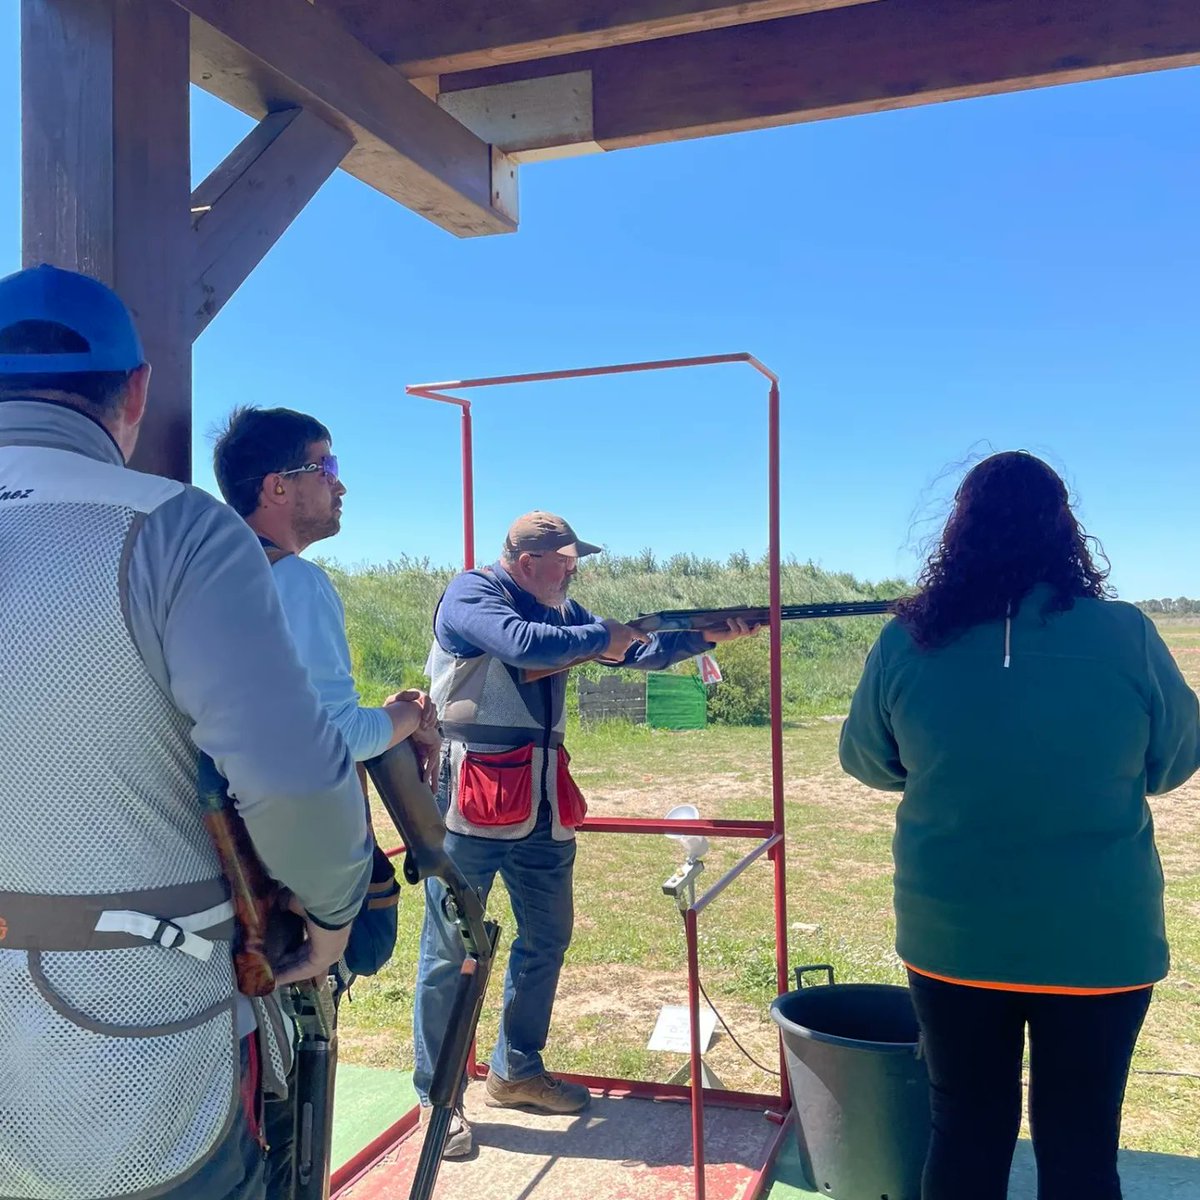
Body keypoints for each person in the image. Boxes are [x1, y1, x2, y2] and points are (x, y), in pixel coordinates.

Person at [0, 265, 373, 1200]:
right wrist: (332, 912)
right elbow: (290, 778)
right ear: (135, 394)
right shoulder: (173, 529)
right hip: (127, 1046)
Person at [838, 451, 1200, 1200]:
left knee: (965, 1133)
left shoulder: (907, 639)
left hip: (951, 937)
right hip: (1102, 944)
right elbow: (1173, 763)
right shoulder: (1127, 634)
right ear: (1065, 531)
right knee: (1081, 1146)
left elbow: (869, 762)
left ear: (959, 532)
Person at [414, 511, 756, 1157]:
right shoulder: (473, 595)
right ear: (524, 560)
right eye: (564, 561)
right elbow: (523, 645)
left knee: (546, 938)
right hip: (473, 800)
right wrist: (607, 632)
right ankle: (439, 1100)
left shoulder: (565, 610)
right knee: (449, 956)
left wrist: (707, 636)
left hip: (542, 799)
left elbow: (639, 650)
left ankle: (516, 1070)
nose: (574, 571)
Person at [211, 405, 441, 1195]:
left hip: (217, 861)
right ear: (279, 486)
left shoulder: (204, 571)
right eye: (327, 468)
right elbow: (330, 737)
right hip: (281, 878)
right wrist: (408, 716)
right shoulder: (295, 582)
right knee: (291, 1109)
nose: (342, 486)